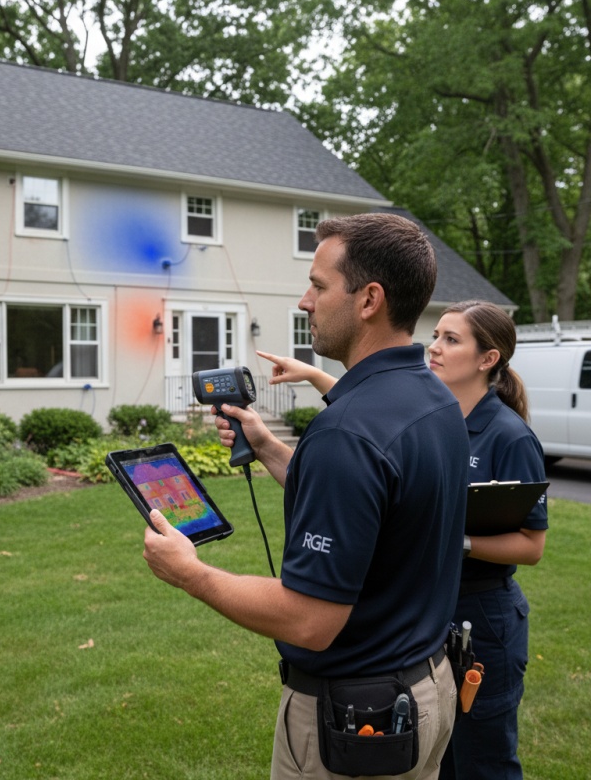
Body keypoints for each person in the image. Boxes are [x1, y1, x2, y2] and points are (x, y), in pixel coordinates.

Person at [142, 213, 470, 780]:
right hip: (426, 686)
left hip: (357, 722)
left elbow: (310, 620)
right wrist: (268, 447)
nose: (304, 301)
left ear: (369, 299)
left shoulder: (348, 432)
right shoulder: (432, 399)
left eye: (318, 286)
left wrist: (189, 573)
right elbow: (370, 513)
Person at [262, 300, 548, 779]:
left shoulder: (508, 436)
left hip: (482, 613)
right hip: (430, 610)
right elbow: (378, 427)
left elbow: (533, 546)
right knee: (432, 750)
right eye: (436, 335)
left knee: (481, 759)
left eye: (451, 340)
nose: (433, 348)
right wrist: (313, 377)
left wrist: (452, 539)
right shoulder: (440, 411)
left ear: (488, 359)